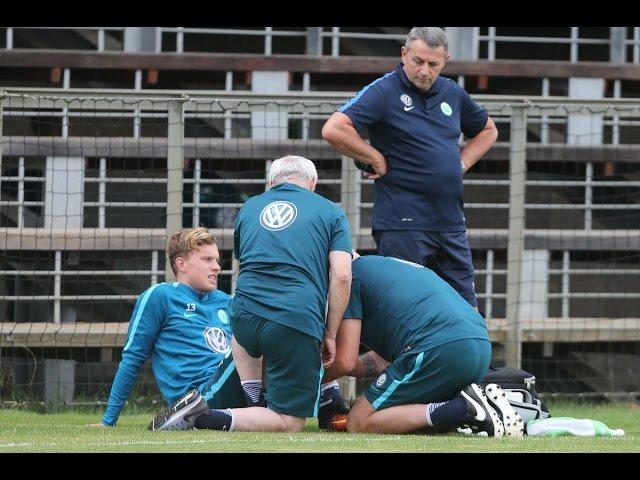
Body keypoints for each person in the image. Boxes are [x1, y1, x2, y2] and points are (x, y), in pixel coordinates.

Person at [152, 155, 353, 433]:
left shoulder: (249, 207)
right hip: (292, 318)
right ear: (313, 183)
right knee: (289, 423)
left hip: (244, 319)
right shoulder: (331, 211)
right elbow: (342, 275)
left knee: (257, 343)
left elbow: (245, 265)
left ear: (270, 183)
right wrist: (329, 333)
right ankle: (201, 417)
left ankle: (251, 404)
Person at [322, 27, 498, 308]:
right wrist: (375, 157)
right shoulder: (384, 90)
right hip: (403, 225)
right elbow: (334, 129)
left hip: (450, 224)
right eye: (418, 61)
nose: (424, 70)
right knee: (406, 312)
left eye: (433, 64)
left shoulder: (452, 92)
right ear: (404, 54)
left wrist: (460, 164)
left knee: (466, 313)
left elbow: (488, 130)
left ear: (445, 61)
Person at [323, 253, 524, 437]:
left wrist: (298, 384)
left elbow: (344, 361)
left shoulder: (347, 278)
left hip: (439, 347)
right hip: (478, 345)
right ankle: (480, 409)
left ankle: (463, 409)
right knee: (401, 416)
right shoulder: (383, 266)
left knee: (359, 421)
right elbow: (378, 360)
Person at [101, 227, 246, 428]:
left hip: (236, 387)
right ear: (181, 264)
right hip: (199, 397)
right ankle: (186, 414)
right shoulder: (160, 296)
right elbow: (132, 358)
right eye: (207, 260)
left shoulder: (224, 301)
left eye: (217, 260)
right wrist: (108, 421)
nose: (217, 267)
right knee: (259, 339)